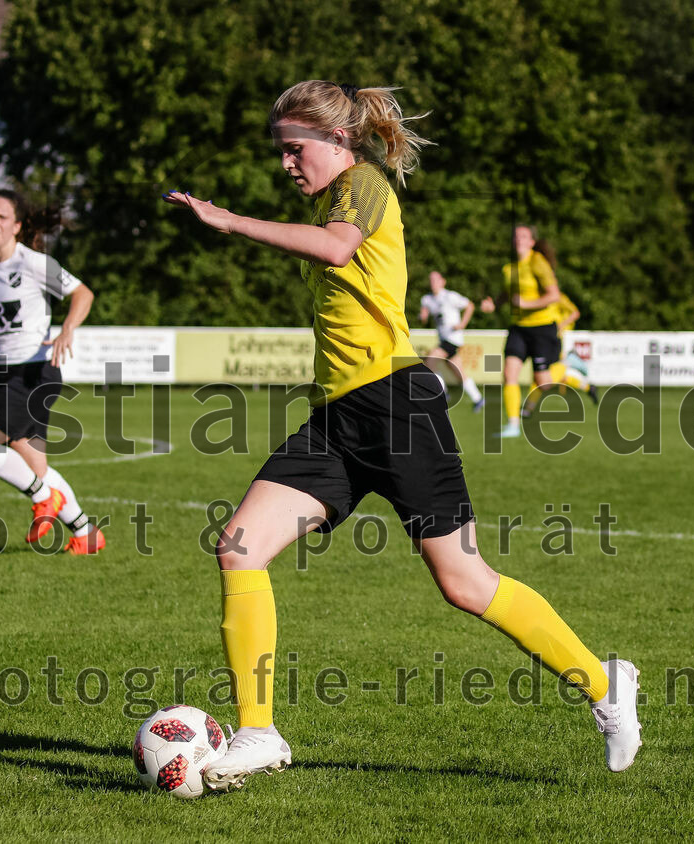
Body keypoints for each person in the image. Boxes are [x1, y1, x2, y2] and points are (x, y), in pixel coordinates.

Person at [164, 80, 641, 792]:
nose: (287, 166)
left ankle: (604, 686)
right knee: (239, 547)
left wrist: (231, 221)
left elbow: (334, 250)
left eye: (295, 151)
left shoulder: (364, 184)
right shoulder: (331, 195)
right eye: (281, 153)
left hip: (398, 407)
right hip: (337, 419)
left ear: (338, 140)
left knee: (465, 582)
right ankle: (260, 732)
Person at [0, 189, 105, 555]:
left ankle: (44, 499)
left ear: (17, 225)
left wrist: (68, 329)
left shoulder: (34, 263)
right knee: (33, 462)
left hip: (35, 373)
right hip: (7, 375)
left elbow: (84, 294)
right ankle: (86, 532)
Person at [479, 226, 562, 438]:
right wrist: (495, 304)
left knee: (543, 383)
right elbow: (508, 294)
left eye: (524, 236)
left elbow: (554, 296)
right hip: (518, 328)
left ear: (532, 242)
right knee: (509, 373)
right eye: (515, 236)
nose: (518, 239)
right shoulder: (509, 268)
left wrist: (527, 303)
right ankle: (513, 425)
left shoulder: (538, 263)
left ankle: (569, 369)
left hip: (542, 327)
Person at [521, 285, 598, 418]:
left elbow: (575, 313)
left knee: (542, 379)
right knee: (558, 377)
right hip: (547, 341)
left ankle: (527, 409)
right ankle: (588, 387)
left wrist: (560, 326)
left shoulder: (559, 297)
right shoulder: (539, 298)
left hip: (554, 342)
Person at [419, 270, 484, 411]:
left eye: (436, 279)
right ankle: (478, 398)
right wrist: (422, 316)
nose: (433, 283)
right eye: (431, 280)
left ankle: (443, 392)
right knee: (458, 371)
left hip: (453, 339)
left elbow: (470, 306)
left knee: (430, 360)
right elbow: (424, 314)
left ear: (443, 281)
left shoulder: (450, 296)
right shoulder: (427, 299)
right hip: (443, 338)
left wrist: (462, 325)